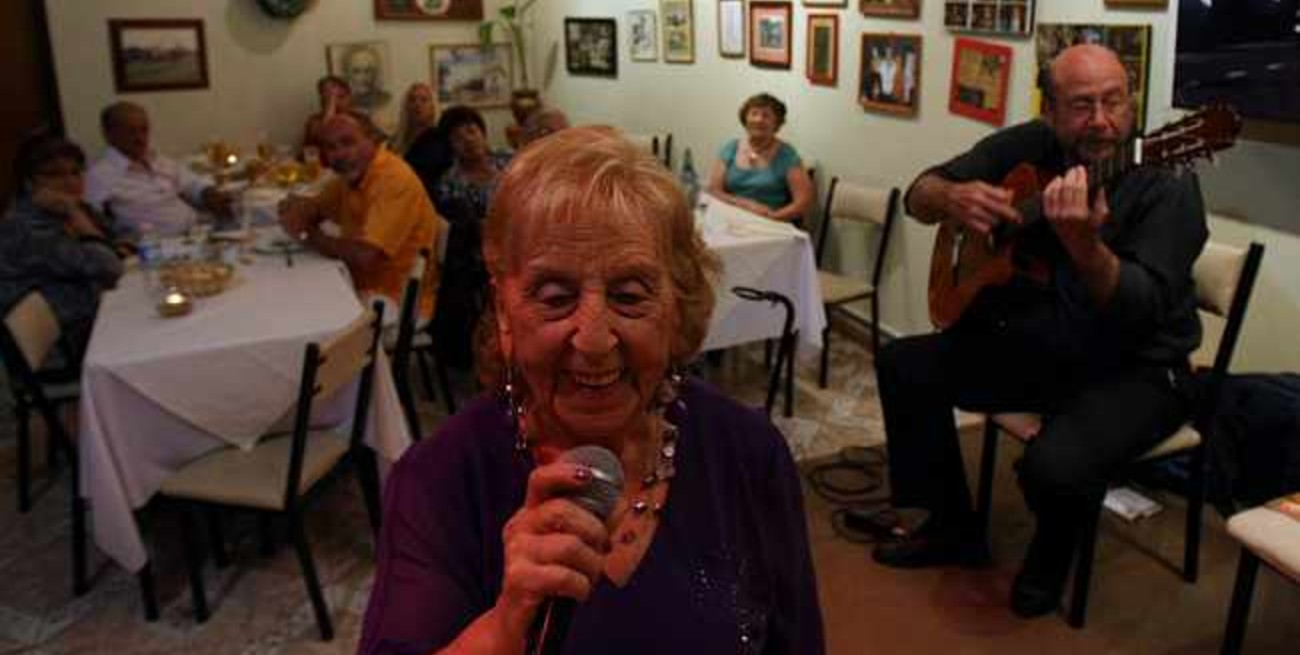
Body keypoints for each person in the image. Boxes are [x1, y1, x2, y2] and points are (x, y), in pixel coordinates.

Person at [359, 126, 824, 654]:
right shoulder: (437, 480)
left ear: (678, 304)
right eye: (555, 297)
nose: (595, 338)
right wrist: (507, 624)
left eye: (629, 295)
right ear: (505, 311)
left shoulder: (749, 452)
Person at [870, 44, 1207, 619]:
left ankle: (1051, 558)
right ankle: (951, 525)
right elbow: (920, 193)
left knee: (1055, 464)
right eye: (1081, 105)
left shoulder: (1165, 184)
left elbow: (1141, 310)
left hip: (1141, 368)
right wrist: (952, 196)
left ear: (1132, 104)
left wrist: (1084, 245)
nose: (1101, 120)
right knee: (905, 363)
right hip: (1047, 342)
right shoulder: (1028, 144)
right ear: (1050, 111)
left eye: (1114, 101)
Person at [278, 110, 444, 318]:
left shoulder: (392, 180)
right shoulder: (352, 175)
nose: (339, 154)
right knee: (292, 299)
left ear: (372, 141)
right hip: (358, 281)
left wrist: (308, 235)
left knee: (302, 316)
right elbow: (315, 207)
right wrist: (295, 208)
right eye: (331, 147)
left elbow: (365, 256)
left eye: (348, 142)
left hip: (394, 300)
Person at [1, 131, 124, 359]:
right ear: (29, 182)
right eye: (54, 174)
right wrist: (75, 214)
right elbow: (110, 266)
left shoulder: (63, 210)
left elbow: (117, 245)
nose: (70, 182)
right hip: (64, 346)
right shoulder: (26, 227)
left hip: (91, 322)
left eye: (76, 172)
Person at [430, 105, 513, 369]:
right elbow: (464, 232)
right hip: (481, 257)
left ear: (483, 132)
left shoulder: (509, 160)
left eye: (471, 130)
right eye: (457, 137)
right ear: (450, 146)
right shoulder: (449, 182)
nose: (467, 139)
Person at [85, 101, 231, 239]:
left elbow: (194, 184)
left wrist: (210, 193)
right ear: (109, 135)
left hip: (200, 231)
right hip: (158, 247)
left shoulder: (159, 160)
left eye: (144, 130)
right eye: (131, 131)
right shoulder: (99, 175)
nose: (140, 138)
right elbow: (93, 223)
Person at [706, 93, 813, 223]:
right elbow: (713, 190)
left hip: (770, 223)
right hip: (729, 220)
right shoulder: (731, 148)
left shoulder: (787, 155)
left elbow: (803, 203)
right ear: (745, 119)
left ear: (776, 123)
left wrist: (772, 217)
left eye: (766, 115)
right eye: (754, 114)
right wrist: (746, 205)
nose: (759, 119)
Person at [395, 82, 455, 200]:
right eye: (412, 100)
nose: (417, 104)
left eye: (424, 100)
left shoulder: (440, 139)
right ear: (406, 107)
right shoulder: (396, 141)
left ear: (433, 107)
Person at [301, 75, 353, 156]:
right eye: (330, 97)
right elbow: (325, 137)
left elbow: (378, 142)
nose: (337, 102)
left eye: (341, 97)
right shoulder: (314, 122)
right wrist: (331, 106)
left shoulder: (361, 118)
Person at [341, 44, 390, 109]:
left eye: (368, 71)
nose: (363, 78)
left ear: (375, 73)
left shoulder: (385, 100)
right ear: (347, 74)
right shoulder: (342, 103)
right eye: (356, 71)